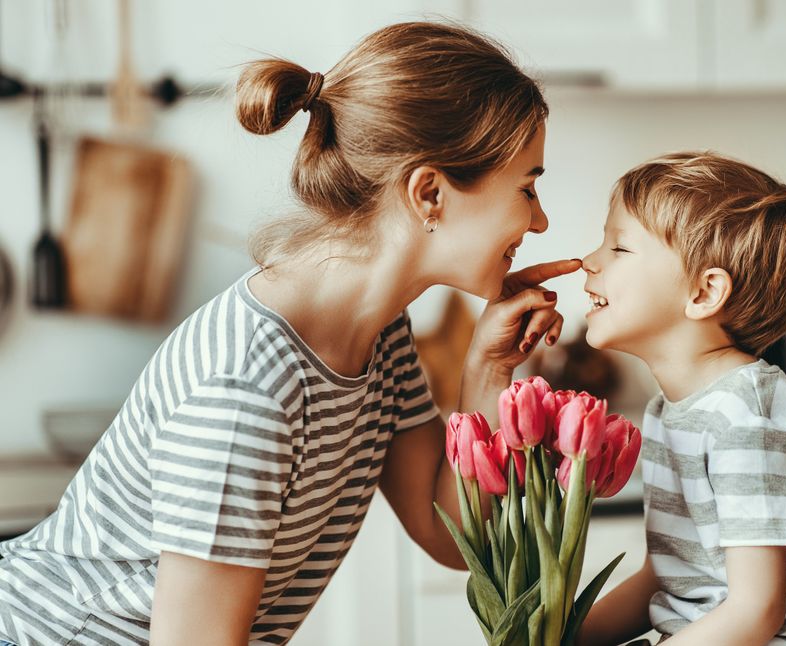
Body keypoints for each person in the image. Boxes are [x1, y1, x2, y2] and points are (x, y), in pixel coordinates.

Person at [0, 21, 581, 645]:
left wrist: (488, 371)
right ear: (430, 192)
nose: (540, 221)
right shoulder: (247, 387)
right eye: (527, 188)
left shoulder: (381, 330)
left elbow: (447, 535)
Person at [576, 152, 786, 645]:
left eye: (619, 248)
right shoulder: (669, 413)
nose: (590, 260)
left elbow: (755, 611)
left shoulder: (748, 420)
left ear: (704, 292)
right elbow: (665, 579)